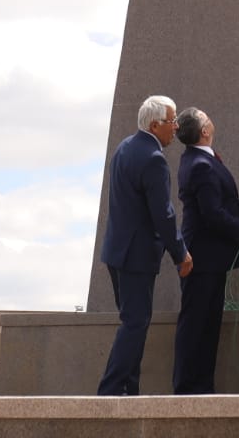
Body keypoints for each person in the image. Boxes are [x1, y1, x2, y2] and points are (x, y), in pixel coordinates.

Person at [97, 95, 192, 396]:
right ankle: (110, 391)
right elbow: (163, 214)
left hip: (116, 252)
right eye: (171, 121)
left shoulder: (124, 148)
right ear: (155, 124)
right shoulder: (153, 159)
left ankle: (128, 390)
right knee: (135, 324)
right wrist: (181, 253)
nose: (175, 127)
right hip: (137, 256)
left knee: (132, 323)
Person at [172, 107, 239, 394]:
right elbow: (211, 213)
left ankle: (201, 387)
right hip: (202, 258)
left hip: (210, 259)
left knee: (208, 326)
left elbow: (221, 198)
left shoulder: (201, 160)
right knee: (197, 325)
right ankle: (188, 388)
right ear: (204, 131)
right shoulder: (200, 164)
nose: (211, 117)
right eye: (205, 116)